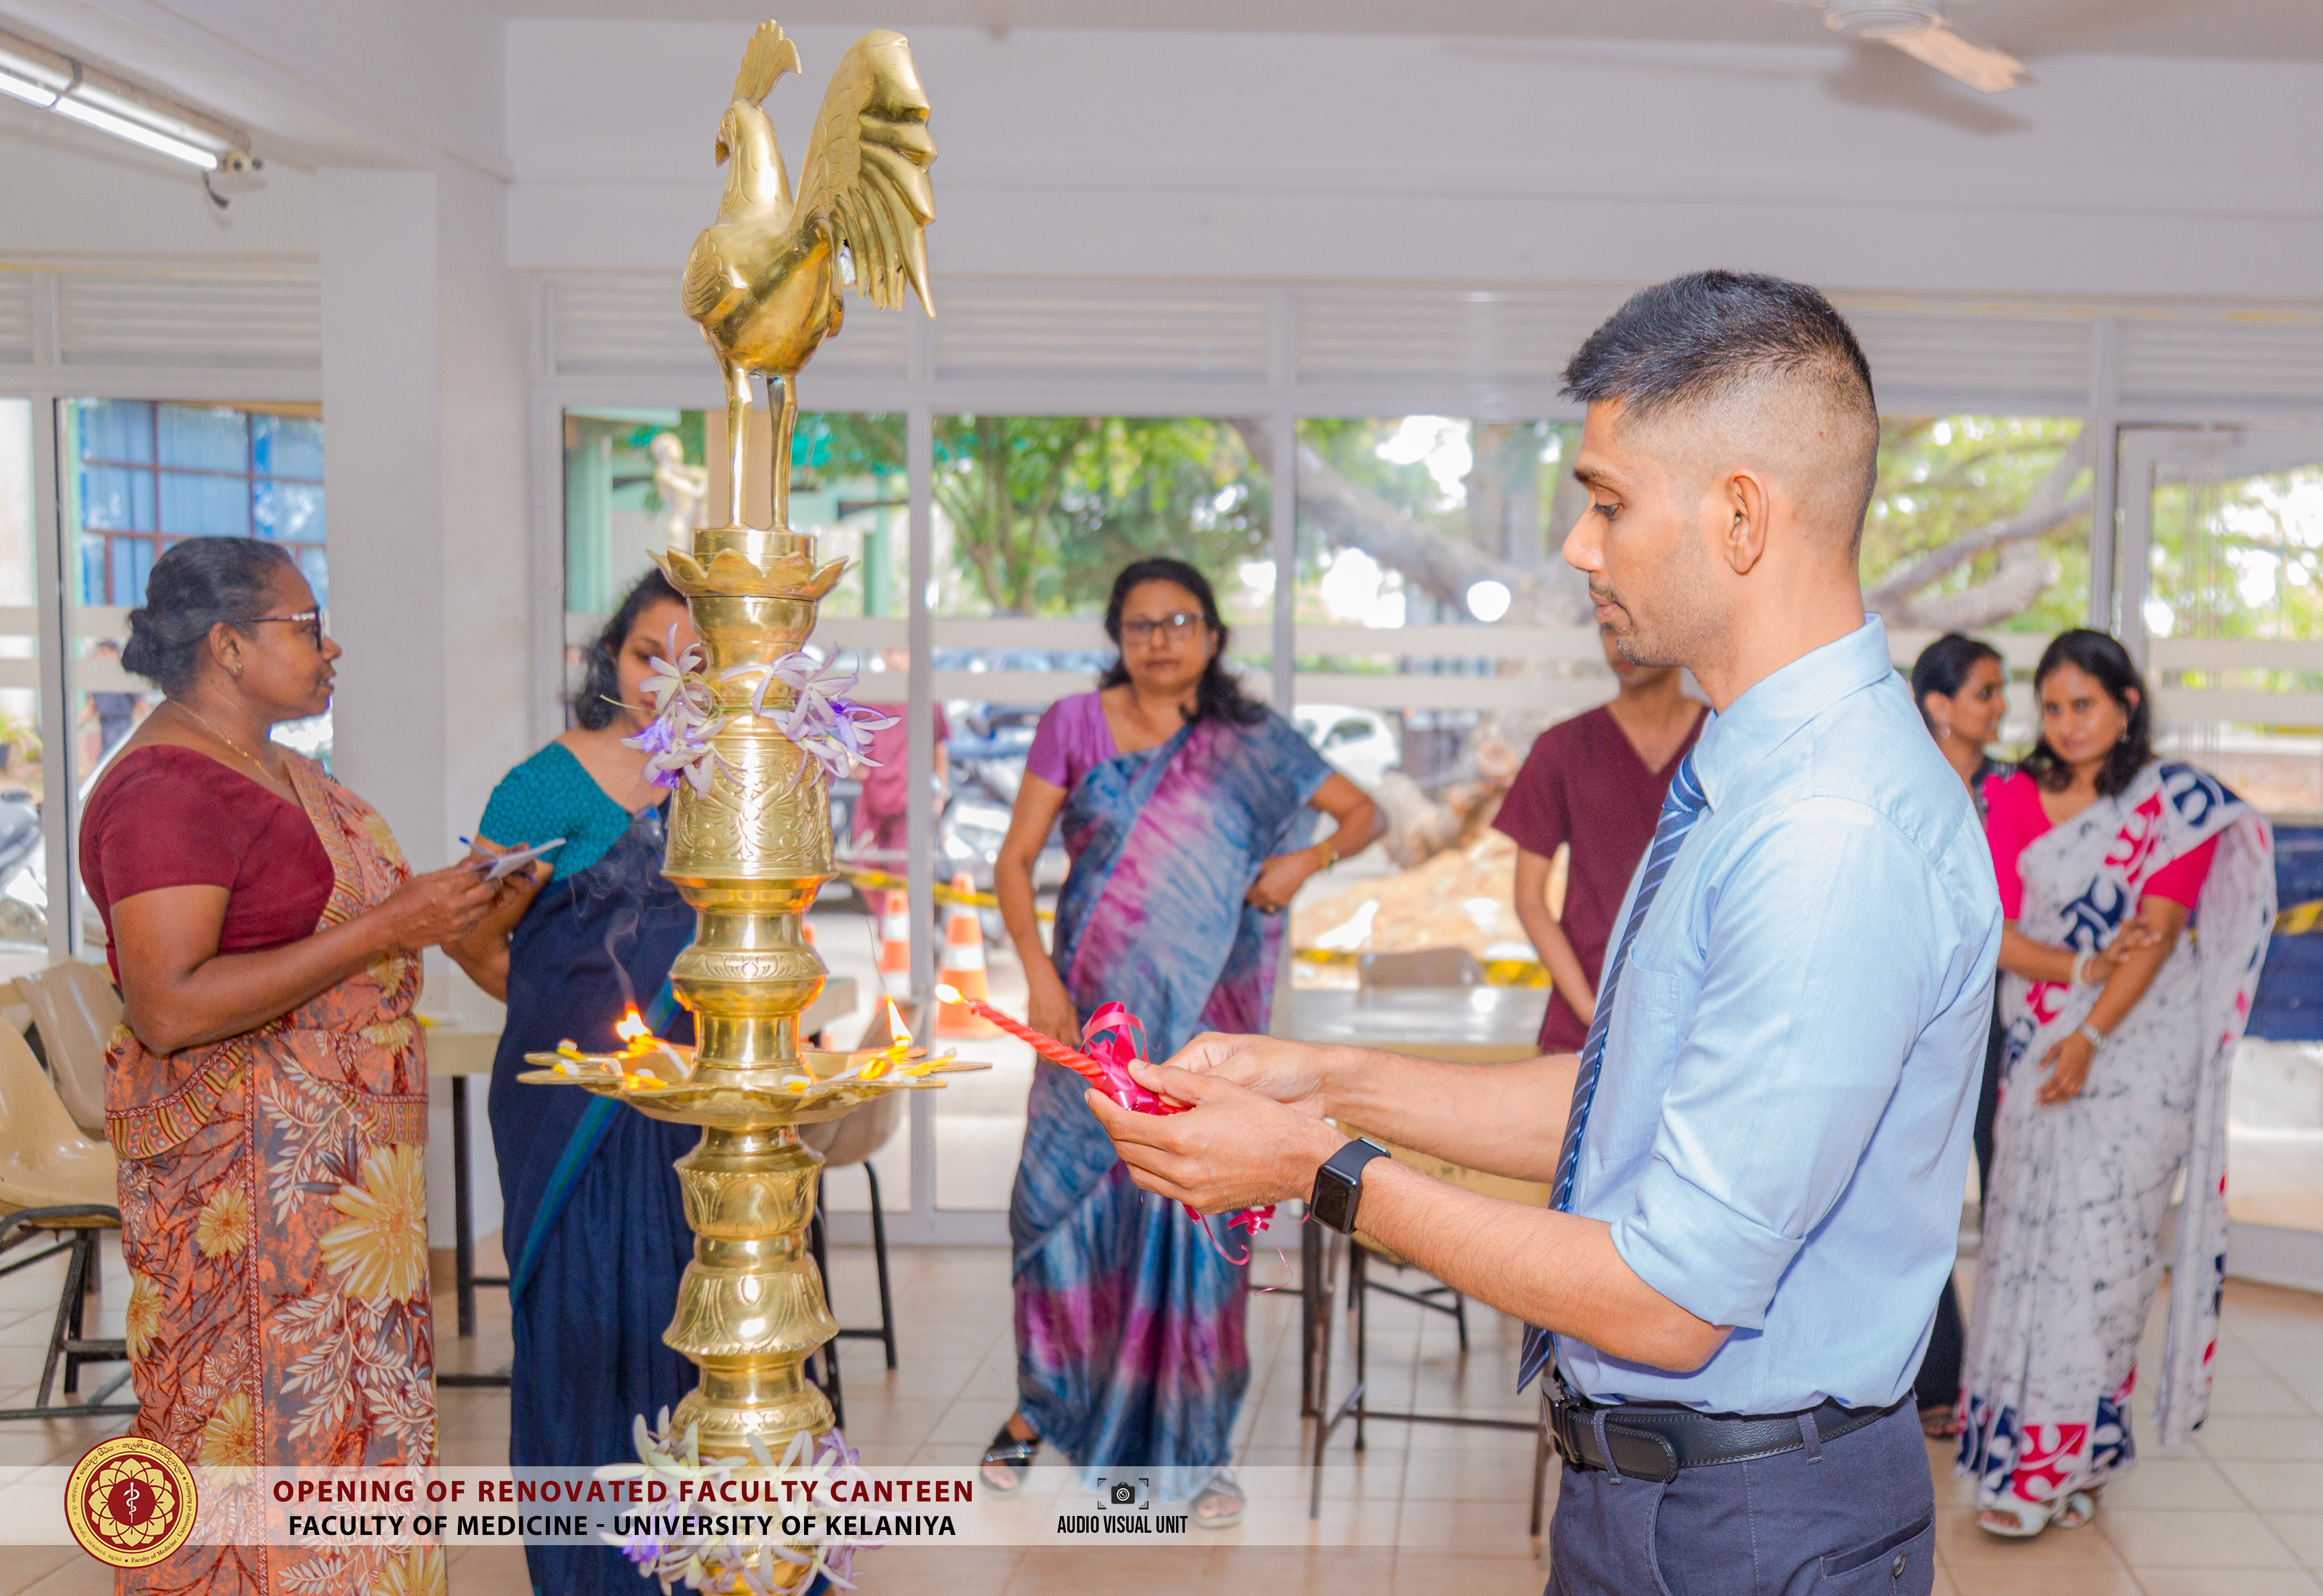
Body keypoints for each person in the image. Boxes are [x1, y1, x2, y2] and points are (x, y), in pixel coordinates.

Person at [1087, 272, 2000, 1596]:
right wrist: (1324, 1078)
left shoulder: (1828, 829)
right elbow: (1622, 1108)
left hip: (1743, 1522)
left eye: (1609, 502)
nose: (1580, 545)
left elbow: (1668, 1299)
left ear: (1741, 515)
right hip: (1660, 1494)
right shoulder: (1751, 771)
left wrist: (1315, 1167)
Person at [80, 536, 505, 1594]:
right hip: (247, 1195)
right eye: (308, 627)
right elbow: (169, 1006)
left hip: (333, 1201)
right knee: (250, 1445)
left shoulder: (274, 769)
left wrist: (456, 908)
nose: (332, 648)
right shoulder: (166, 789)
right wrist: (391, 926)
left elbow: (336, 926)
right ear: (227, 646)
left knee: (340, 1440)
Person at [980, 556, 1378, 1526]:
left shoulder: (1251, 741)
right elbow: (1015, 860)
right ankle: (1044, 1405)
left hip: (1209, 1035)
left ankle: (1196, 1452)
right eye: (1140, 624)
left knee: (1195, 1228)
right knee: (1048, 1212)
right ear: (1119, 636)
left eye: (1179, 621)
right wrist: (1039, 978)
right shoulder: (1075, 724)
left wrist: (1303, 862)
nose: (1159, 640)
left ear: (1211, 634)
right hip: (1089, 1024)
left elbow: (1363, 813)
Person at [1957, 628, 2273, 1538]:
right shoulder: (2011, 794)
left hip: (2141, 1057)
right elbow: (1995, 929)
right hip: (2039, 1040)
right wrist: (2084, 969)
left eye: (2084, 705)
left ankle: (2056, 1466)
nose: (2066, 724)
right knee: (2026, 1245)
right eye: (2052, 708)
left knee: (2105, 1259)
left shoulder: (2173, 804)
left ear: (2126, 704)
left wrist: (2091, 1035)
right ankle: (2045, 1459)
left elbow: (2160, 932)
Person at [443, 569, 707, 1596]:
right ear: (612, 657)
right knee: (585, 1318)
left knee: (707, 1315)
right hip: (571, 1107)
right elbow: (472, 937)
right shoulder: (546, 785)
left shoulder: (741, 786)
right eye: (648, 655)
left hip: (700, 1103)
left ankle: (721, 1562)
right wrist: (571, 1026)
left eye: (696, 662)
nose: (667, 682)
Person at [1906, 632, 2031, 1439]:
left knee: (2010, 1194)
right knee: (1919, 1199)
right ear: (1939, 706)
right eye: (1986, 691)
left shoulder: (2016, 792)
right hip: (1916, 1020)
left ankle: (2007, 1381)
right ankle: (1934, 1377)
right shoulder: (1904, 787)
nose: (2001, 706)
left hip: (2007, 1019)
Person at [1496, 621, 1704, 1053]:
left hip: (1697, 1019)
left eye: (1635, 623)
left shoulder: (1722, 742)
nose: (1620, 643)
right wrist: (1590, 1010)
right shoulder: (1562, 748)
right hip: (1581, 1029)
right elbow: (1529, 899)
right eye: (1609, 630)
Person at [848, 646, 947, 867]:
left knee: (907, 874)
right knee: (866, 873)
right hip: (872, 805)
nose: (894, 660)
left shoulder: (926, 700)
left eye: (901, 652)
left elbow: (939, 749)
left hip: (909, 806)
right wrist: (851, 766)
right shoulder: (869, 699)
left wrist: (940, 795)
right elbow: (848, 742)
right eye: (889, 652)